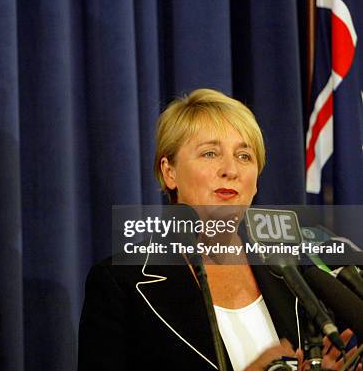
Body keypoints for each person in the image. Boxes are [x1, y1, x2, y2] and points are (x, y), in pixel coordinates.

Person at [78, 89, 359, 371]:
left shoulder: (296, 275)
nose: (230, 170)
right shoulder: (120, 282)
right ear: (169, 172)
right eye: (210, 153)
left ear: (256, 180)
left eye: (244, 156)